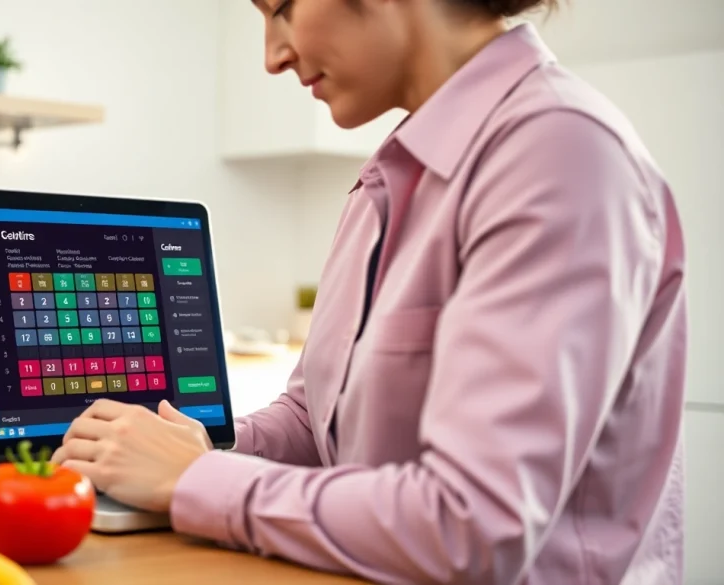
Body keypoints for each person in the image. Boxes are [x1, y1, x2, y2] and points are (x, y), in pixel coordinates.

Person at [52, 0, 688, 582]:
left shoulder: (560, 152)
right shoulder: (390, 176)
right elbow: (311, 421)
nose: (272, 56)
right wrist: (178, 444)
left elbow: (474, 527)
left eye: (282, 9)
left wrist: (198, 478)